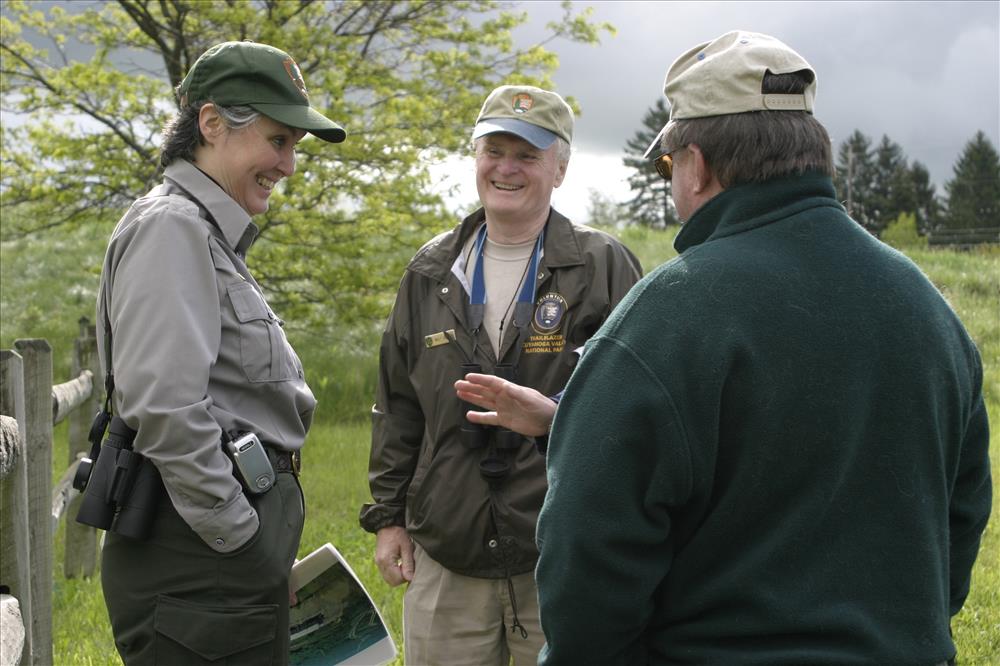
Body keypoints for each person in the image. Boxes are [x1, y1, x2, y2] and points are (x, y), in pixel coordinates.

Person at [526, 31, 990, 665]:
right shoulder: (930, 310)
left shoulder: (665, 317)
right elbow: (963, 512)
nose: (671, 185)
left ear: (698, 164)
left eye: (667, 167)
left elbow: (588, 550)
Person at [359, 84, 643, 665]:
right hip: (448, 551)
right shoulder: (429, 270)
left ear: (559, 169)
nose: (506, 168)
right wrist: (389, 519)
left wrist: (555, 415)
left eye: (527, 155)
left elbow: (636, 402)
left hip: (562, 552)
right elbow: (398, 405)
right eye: (494, 151)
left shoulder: (603, 266)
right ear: (475, 158)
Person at [93, 41, 345, 665]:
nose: (288, 165)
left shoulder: (201, 231)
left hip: (212, 561)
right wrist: (242, 538)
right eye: (278, 140)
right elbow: (166, 406)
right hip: (202, 562)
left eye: (293, 146)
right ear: (211, 123)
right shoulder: (173, 227)